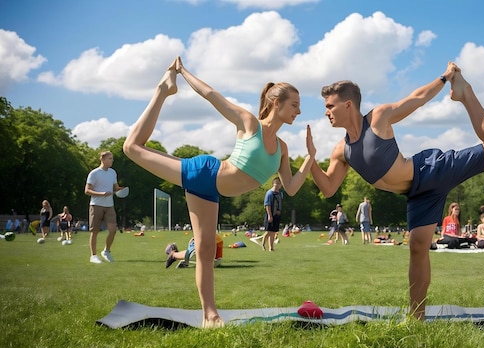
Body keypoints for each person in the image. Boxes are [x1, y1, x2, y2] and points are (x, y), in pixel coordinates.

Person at [308, 62, 484, 319]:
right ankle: (417, 318)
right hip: (417, 195)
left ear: (348, 105)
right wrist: (310, 160)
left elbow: (416, 99)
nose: (326, 112)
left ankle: (464, 92)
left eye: (330, 106)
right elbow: (328, 188)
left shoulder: (377, 118)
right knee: (417, 247)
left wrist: (444, 78)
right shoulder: (342, 150)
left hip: (430, 171)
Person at [122, 57, 314, 329]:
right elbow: (211, 95)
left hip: (211, 193)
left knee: (206, 251)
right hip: (204, 173)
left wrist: (310, 157)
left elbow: (292, 187)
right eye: (295, 105)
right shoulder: (250, 123)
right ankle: (163, 91)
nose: (299, 111)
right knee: (131, 148)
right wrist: (183, 72)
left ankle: (210, 316)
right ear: (275, 103)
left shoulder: (282, 149)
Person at [85, 151, 126, 264]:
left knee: (113, 230)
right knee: (95, 231)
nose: (112, 160)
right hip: (96, 204)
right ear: (102, 159)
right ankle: (93, 256)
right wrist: (101, 194)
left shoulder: (113, 173)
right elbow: (87, 190)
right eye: (110, 158)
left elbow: (115, 187)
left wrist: (120, 190)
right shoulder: (94, 173)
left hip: (109, 205)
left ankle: (106, 251)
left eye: (112, 158)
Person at [262, 177, 283, 251]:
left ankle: (271, 247)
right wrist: (270, 215)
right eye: (276, 183)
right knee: (269, 231)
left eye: (279, 183)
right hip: (270, 214)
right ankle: (263, 244)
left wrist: (279, 211)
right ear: (273, 184)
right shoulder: (269, 193)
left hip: (277, 215)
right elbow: (267, 205)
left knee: (274, 232)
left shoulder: (280, 193)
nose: (277, 185)